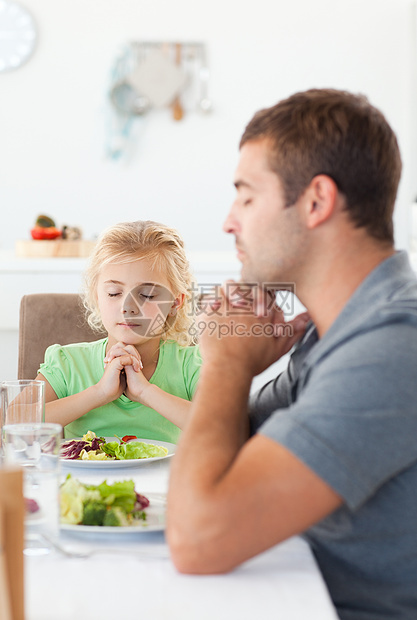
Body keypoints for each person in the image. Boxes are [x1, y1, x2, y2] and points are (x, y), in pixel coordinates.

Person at [166, 89, 417, 620]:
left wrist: (227, 362)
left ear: (316, 202)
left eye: (247, 197)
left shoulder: (395, 345)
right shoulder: (333, 334)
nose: (229, 222)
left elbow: (198, 535)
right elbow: (226, 457)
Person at [37, 220, 201, 442]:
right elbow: (13, 424)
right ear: (97, 296)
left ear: (175, 303)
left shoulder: (191, 365)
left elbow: (221, 429)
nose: (128, 307)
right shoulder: (67, 362)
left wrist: (145, 392)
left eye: (148, 295)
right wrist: (99, 393)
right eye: (114, 293)